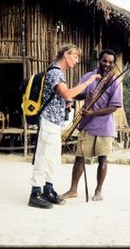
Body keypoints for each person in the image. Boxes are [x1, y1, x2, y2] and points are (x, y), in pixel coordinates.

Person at [28, 44, 101, 209]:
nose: (76, 61)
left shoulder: (58, 73)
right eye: (75, 57)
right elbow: (67, 93)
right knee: (44, 157)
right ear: (66, 55)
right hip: (48, 121)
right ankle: (35, 193)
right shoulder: (55, 72)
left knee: (53, 158)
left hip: (54, 122)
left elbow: (63, 96)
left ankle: (48, 189)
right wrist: (88, 82)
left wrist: (66, 103)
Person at [60, 49, 122, 201]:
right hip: (87, 124)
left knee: (103, 159)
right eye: (104, 61)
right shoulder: (89, 76)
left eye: (110, 62)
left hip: (105, 127)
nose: (106, 64)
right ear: (99, 61)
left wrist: (93, 113)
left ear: (113, 64)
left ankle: (98, 191)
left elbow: (114, 107)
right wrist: (83, 95)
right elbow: (77, 94)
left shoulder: (114, 81)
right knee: (80, 158)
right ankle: (73, 190)